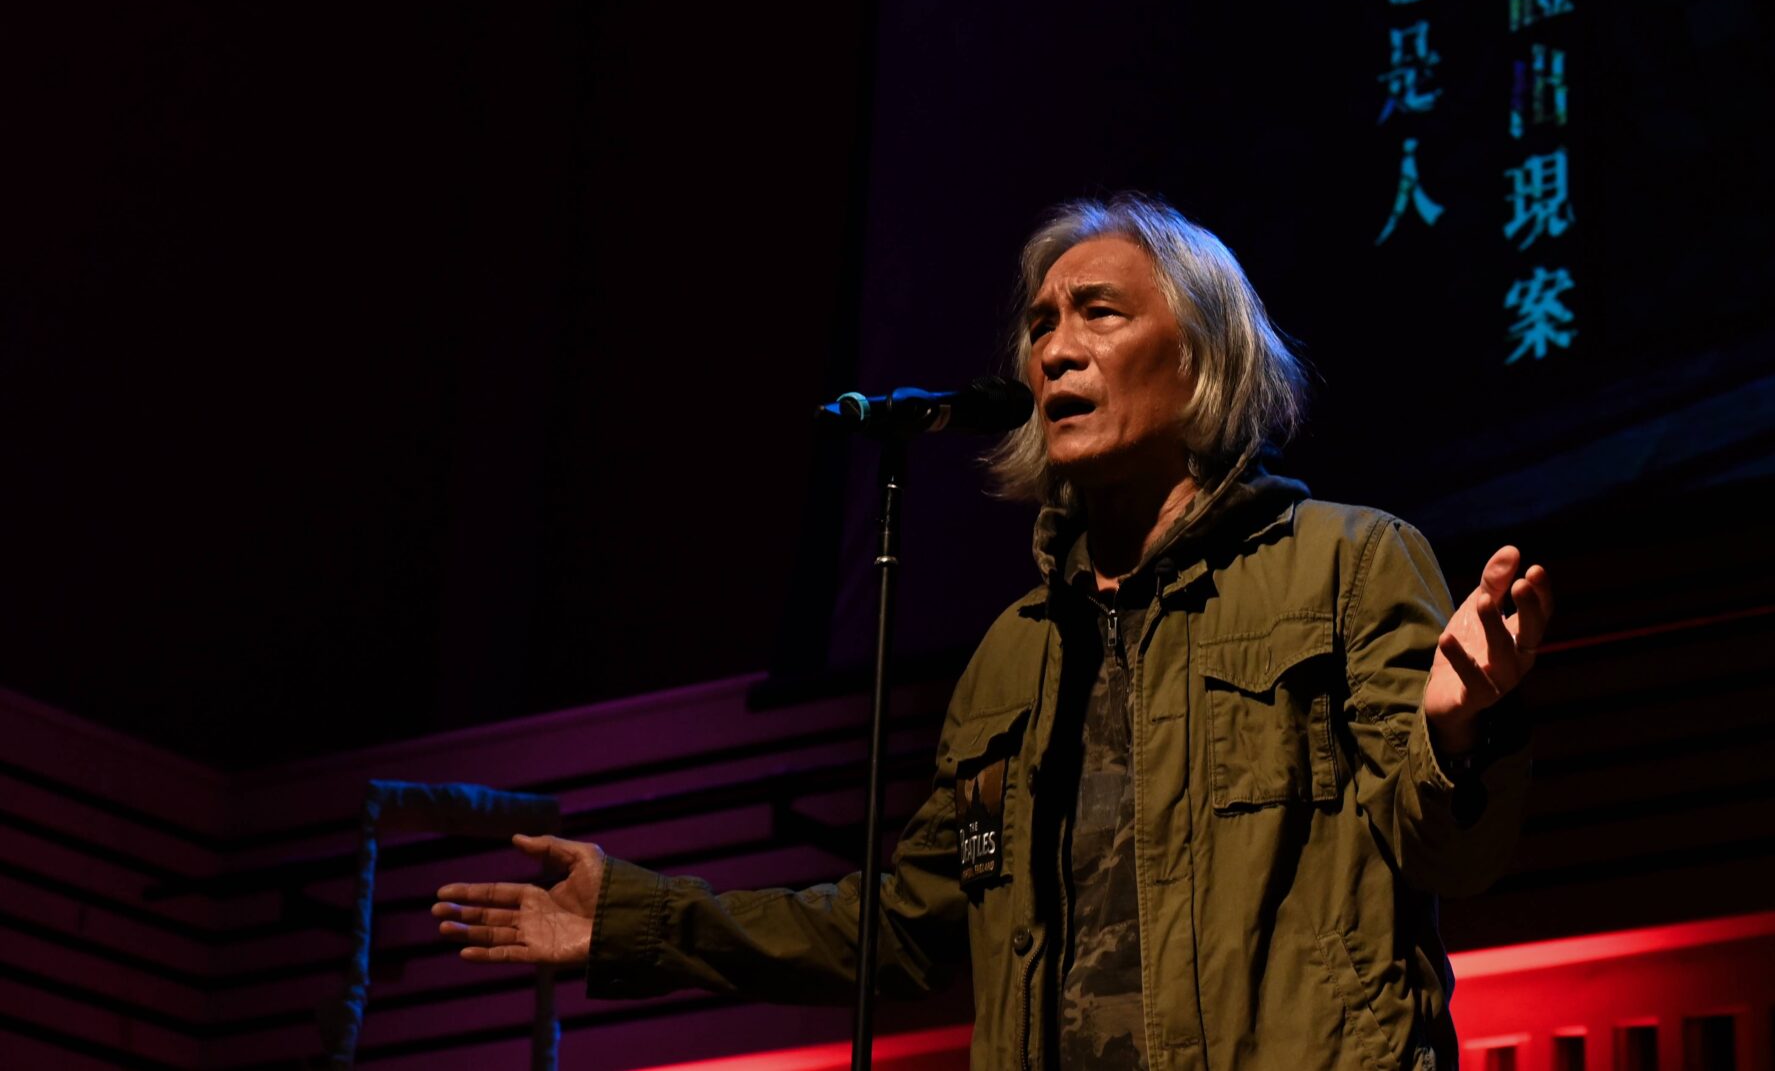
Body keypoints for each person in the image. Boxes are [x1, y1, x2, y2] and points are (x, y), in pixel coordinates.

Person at [433, 194, 1553, 1071]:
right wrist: (641, 917)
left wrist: (1457, 729)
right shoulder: (1013, 657)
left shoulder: (1347, 561)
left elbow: (1453, 853)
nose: (1054, 349)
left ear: (1204, 355)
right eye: (1039, 324)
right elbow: (907, 927)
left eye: (1099, 312)